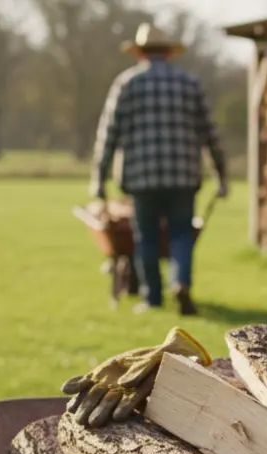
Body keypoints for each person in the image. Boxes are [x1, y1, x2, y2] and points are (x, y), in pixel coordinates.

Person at [91, 22, 228, 316]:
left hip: (142, 179)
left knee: (147, 237)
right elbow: (210, 134)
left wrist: (98, 179)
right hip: (183, 176)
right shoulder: (189, 84)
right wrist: (221, 175)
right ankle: (181, 283)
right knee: (180, 233)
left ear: (140, 52)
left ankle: (152, 297)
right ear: (168, 51)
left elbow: (109, 135)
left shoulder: (127, 83)